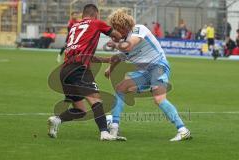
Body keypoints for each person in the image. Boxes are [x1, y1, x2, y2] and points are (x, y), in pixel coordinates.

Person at [105, 9, 191, 142]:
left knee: (159, 99)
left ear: (121, 27)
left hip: (158, 66)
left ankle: (183, 130)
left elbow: (128, 47)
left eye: (115, 29)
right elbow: (120, 56)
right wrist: (110, 68)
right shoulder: (123, 40)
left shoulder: (138, 29)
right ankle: (114, 128)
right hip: (143, 71)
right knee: (120, 88)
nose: (113, 33)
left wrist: (115, 45)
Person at [47, 4, 124, 141]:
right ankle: (104, 133)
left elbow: (81, 53)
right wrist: (121, 40)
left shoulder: (74, 27)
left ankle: (57, 120)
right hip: (80, 69)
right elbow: (117, 36)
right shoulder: (96, 23)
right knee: (95, 100)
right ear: (96, 14)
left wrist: (106, 60)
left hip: (65, 70)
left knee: (81, 110)